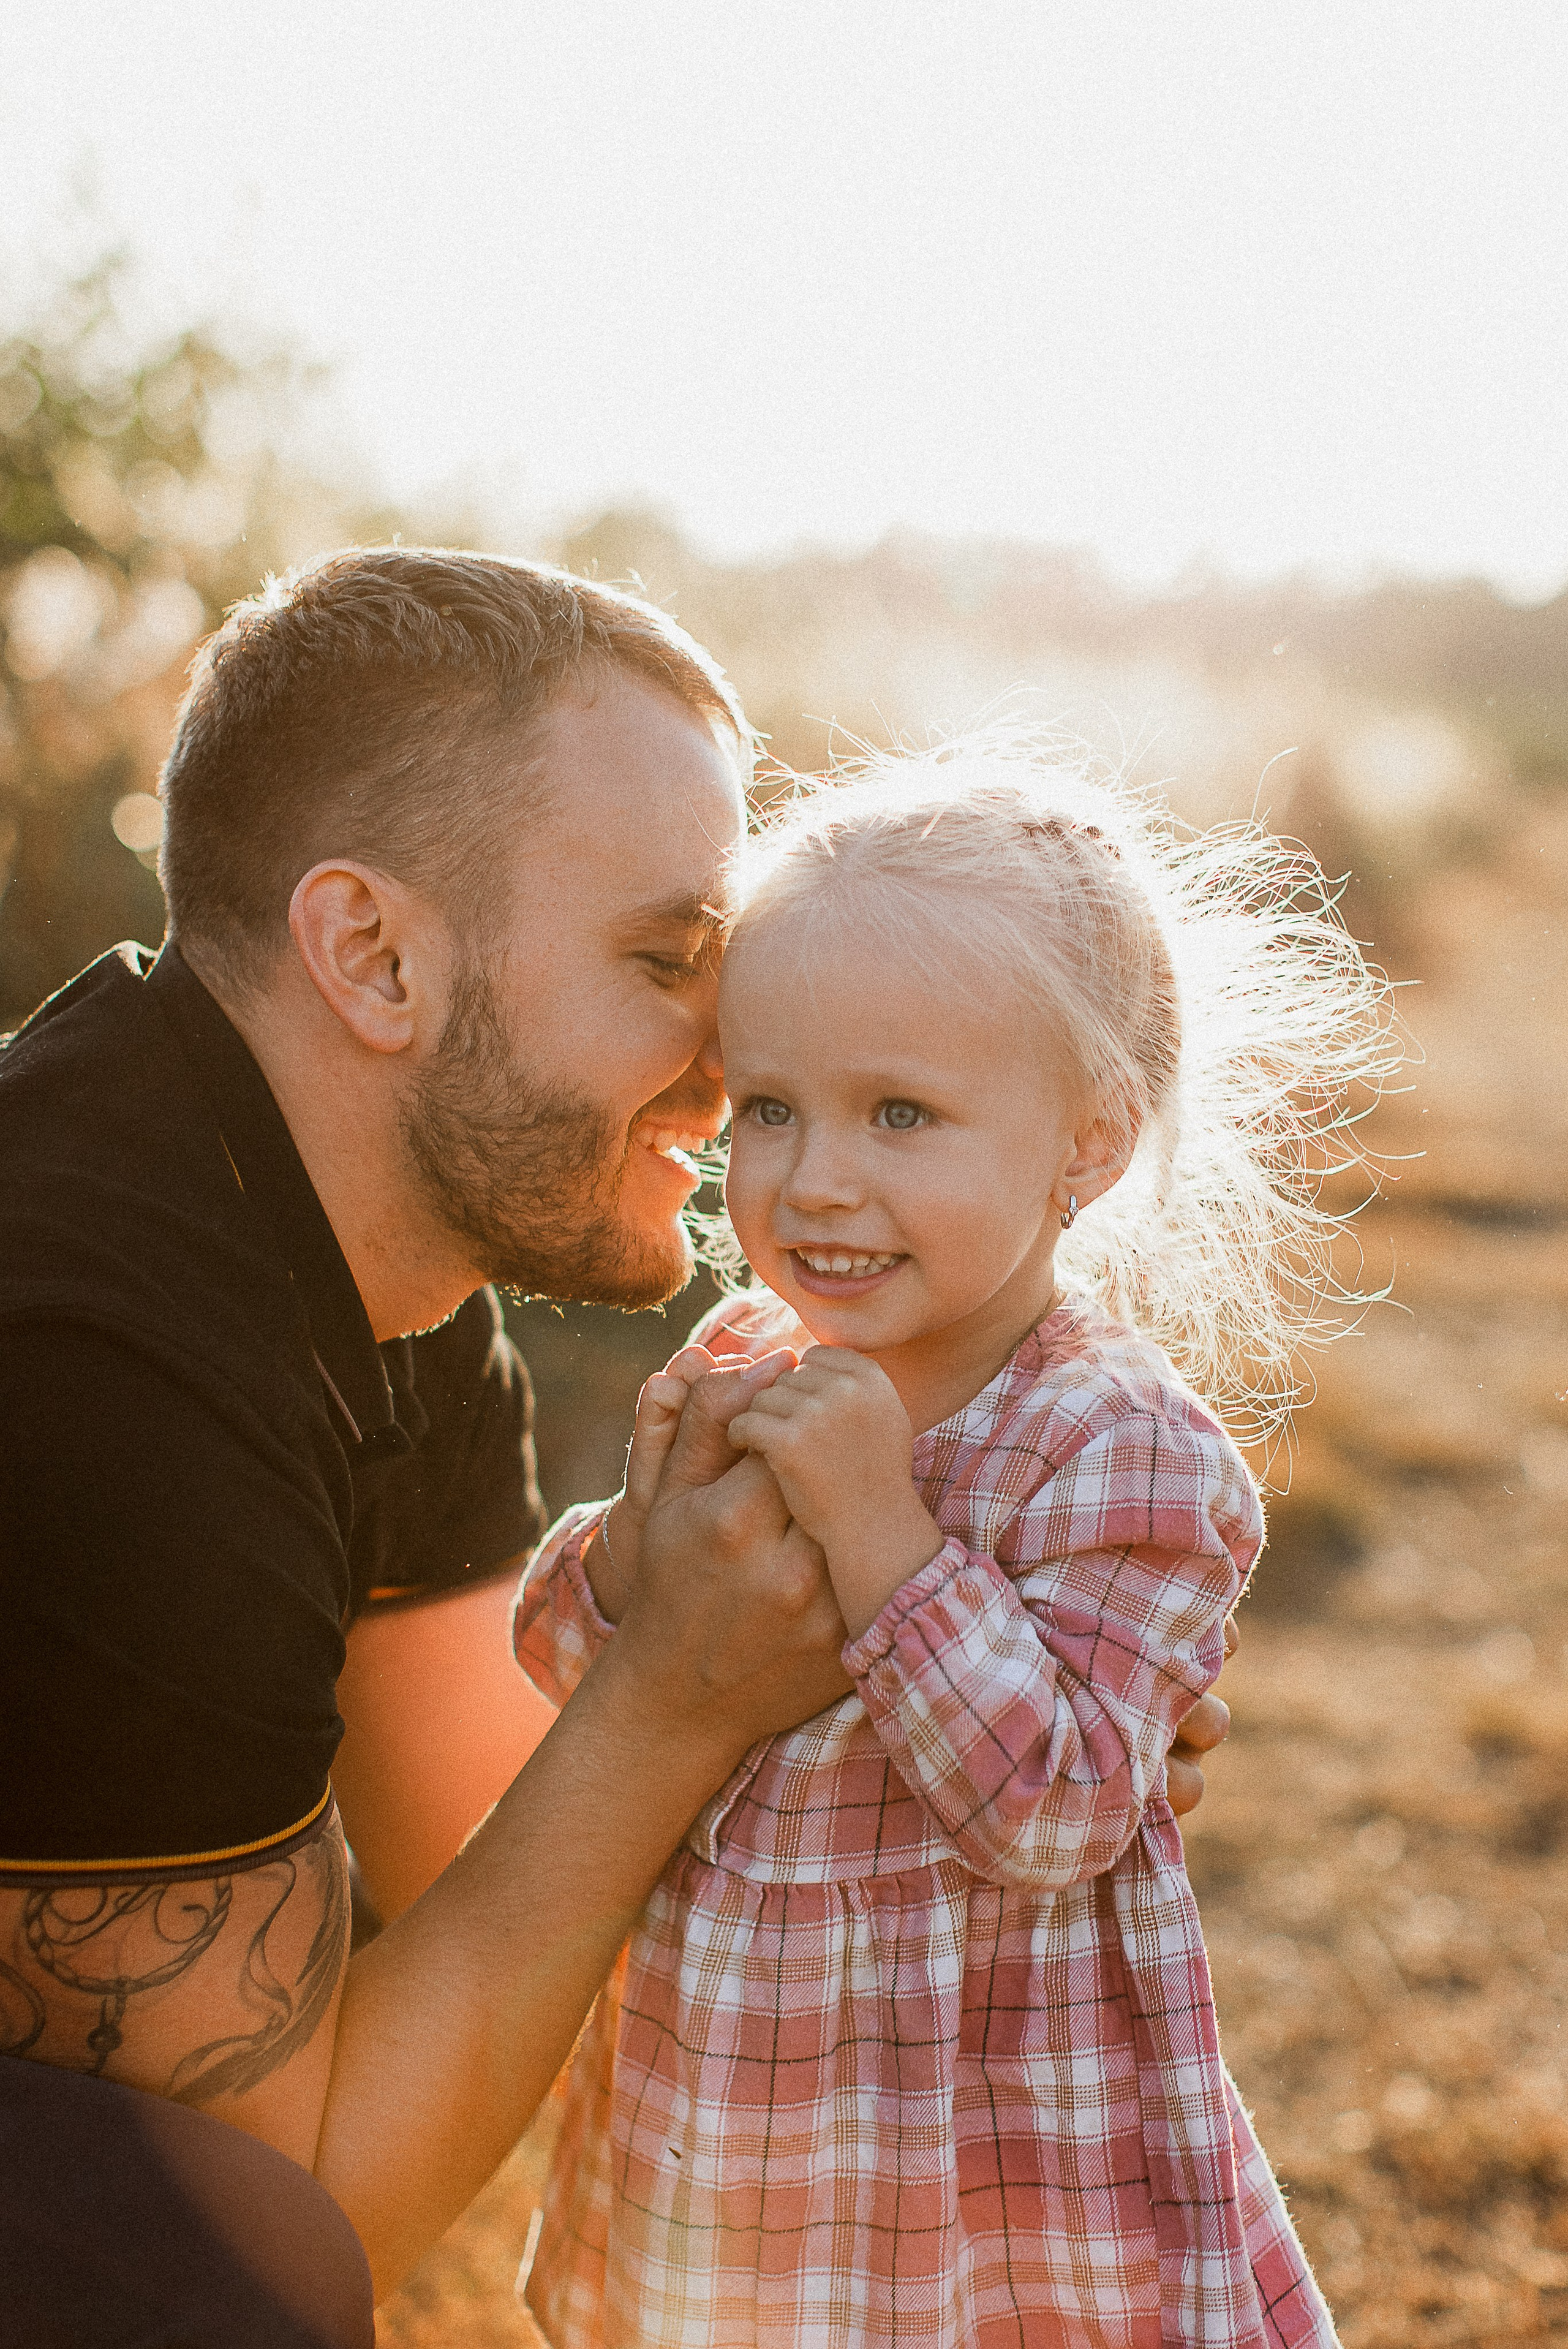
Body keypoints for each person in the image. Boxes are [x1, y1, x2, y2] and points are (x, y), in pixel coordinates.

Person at [0, 553, 1226, 2347]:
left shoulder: (372, 1276)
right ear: (376, 954)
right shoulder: (89, 1368)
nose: (734, 1065)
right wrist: (677, 1696)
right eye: (670, 962)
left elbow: (494, 1866)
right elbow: (268, 2236)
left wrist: (987, 1702)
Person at [514, 740, 1390, 2346]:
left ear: (1088, 1144)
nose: (813, 1177)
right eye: (769, 1106)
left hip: (982, 2158)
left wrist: (881, 1529)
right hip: (734, 2098)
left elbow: (1059, 1806)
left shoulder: (1124, 1449)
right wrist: (623, 1561)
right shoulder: (742, 1360)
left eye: (900, 1111)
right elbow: (587, 1686)